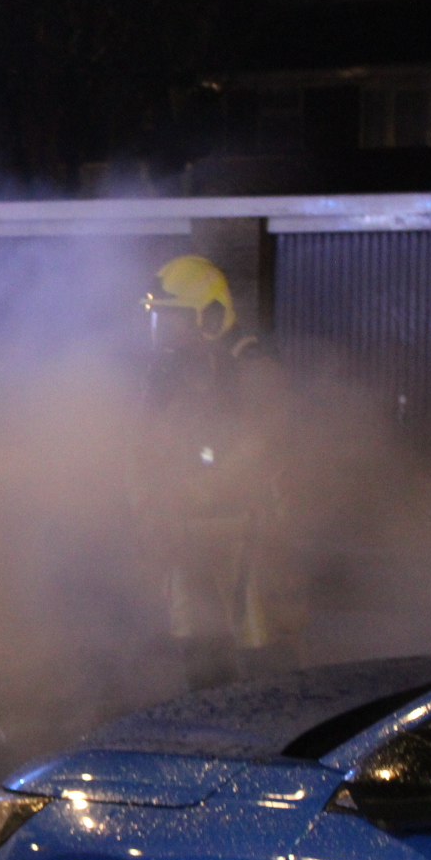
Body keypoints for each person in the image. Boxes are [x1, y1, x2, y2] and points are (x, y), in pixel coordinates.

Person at [133, 254, 302, 691]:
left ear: (209, 314)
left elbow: (263, 445)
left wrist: (198, 490)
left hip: (245, 525)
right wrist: (148, 504)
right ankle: (210, 727)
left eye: (174, 318)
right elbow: (145, 443)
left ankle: (274, 726)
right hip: (184, 525)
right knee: (193, 634)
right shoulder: (167, 370)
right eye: (161, 318)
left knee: (254, 632)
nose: (165, 331)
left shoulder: (249, 365)